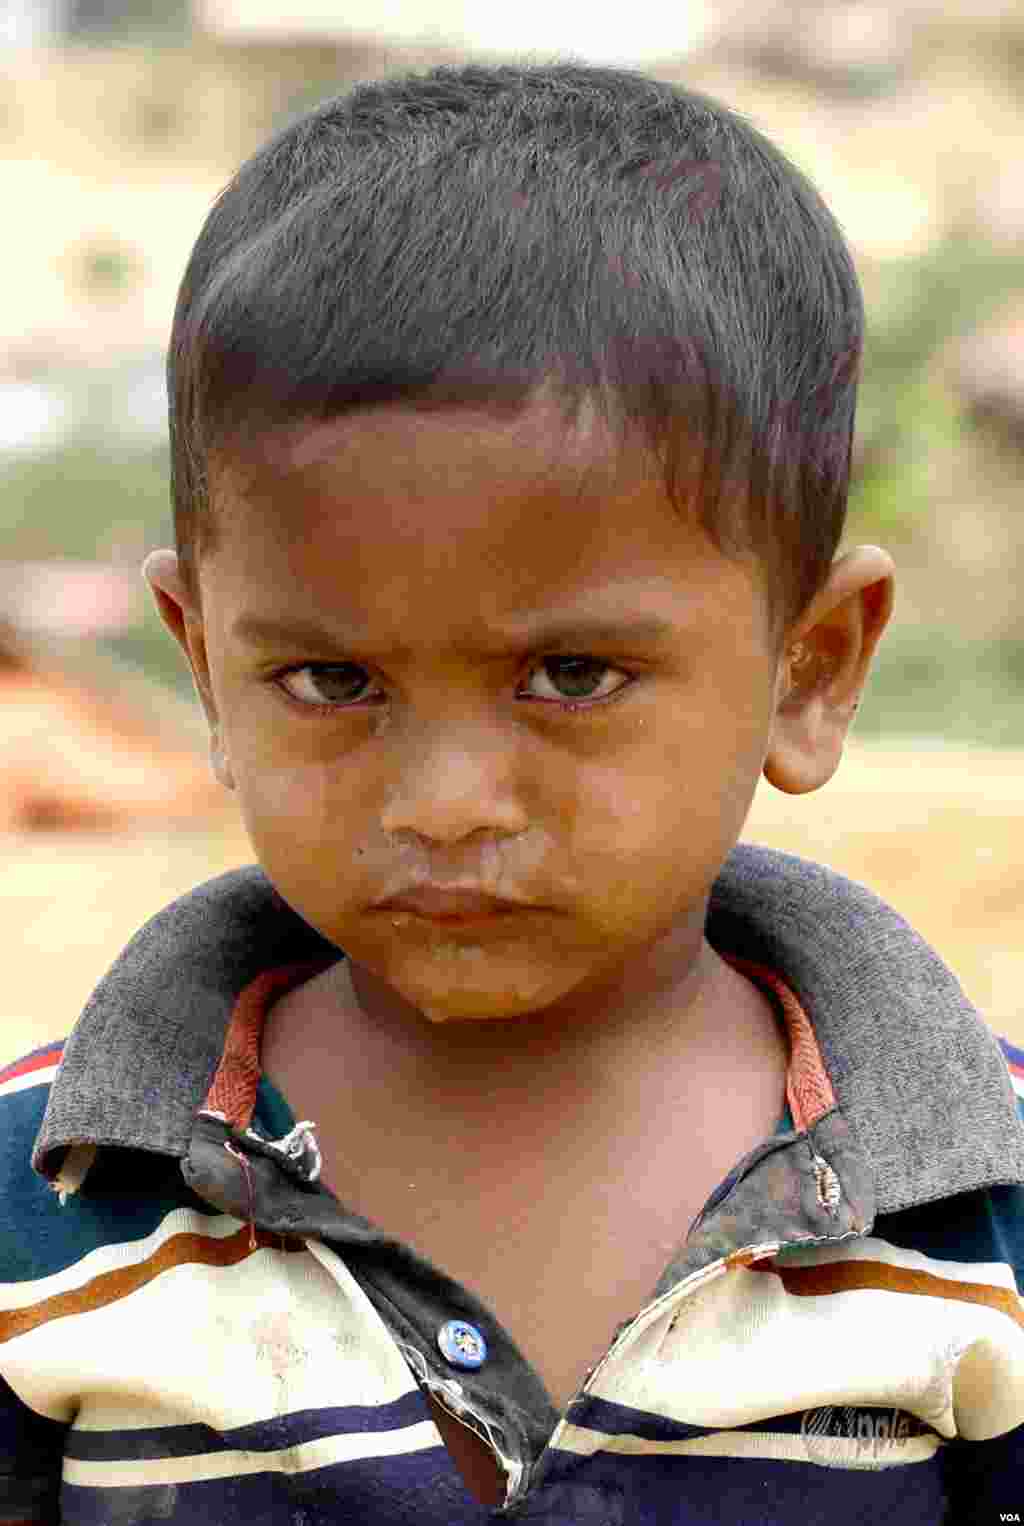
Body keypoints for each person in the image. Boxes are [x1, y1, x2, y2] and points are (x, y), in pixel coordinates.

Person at [2, 62, 1022, 1525]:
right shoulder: (53, 1209)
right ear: (205, 664)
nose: (447, 799)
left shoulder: (975, 1219)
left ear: (810, 669)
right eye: (333, 681)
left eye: (573, 675)